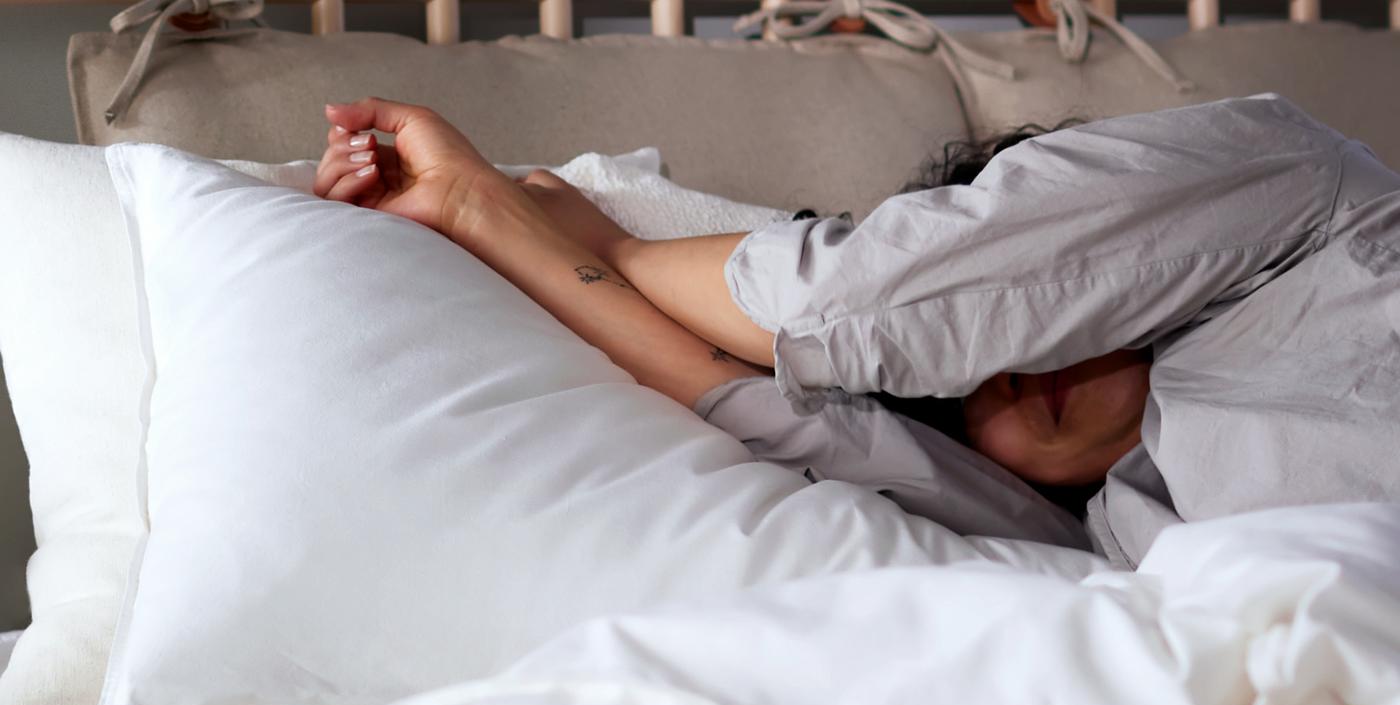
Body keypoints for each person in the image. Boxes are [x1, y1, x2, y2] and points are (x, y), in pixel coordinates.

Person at [314, 93, 1400, 568]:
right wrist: (474, 221)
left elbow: (855, 304)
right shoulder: (1108, 538)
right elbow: (792, 422)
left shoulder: (1287, 183)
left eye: (1027, 313)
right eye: (974, 395)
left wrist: (612, 241)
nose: (1016, 375)